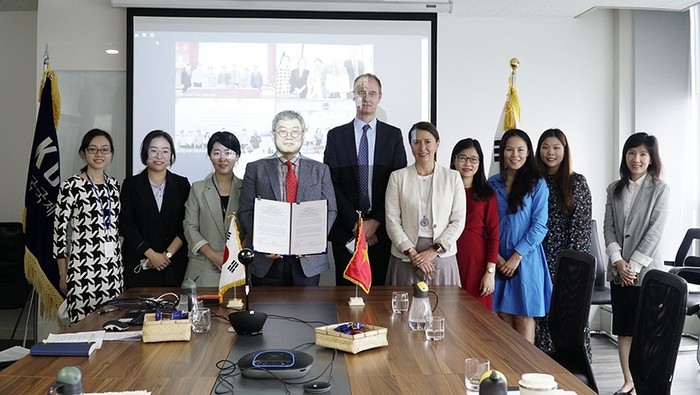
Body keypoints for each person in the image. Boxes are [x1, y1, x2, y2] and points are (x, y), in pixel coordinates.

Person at [324, 73, 407, 286]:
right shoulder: (336, 136)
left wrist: (375, 223)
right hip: (346, 229)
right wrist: (358, 223)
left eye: (372, 93)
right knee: (346, 297)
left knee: (380, 296)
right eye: (361, 93)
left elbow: (398, 184)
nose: (366, 98)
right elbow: (330, 184)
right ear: (354, 97)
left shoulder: (393, 136)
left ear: (380, 97)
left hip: (383, 231)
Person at [238, 110, 337, 285]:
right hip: (267, 259)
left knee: (307, 312)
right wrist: (264, 242)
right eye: (282, 131)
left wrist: (313, 242)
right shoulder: (256, 168)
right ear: (273, 134)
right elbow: (246, 210)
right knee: (266, 311)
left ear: (303, 135)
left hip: (307, 260)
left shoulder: (320, 170)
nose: (288, 136)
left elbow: (330, 209)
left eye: (295, 131)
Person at [604, 132, 668, 395]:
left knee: (647, 330)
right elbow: (608, 228)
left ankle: (647, 381)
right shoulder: (614, 188)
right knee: (624, 329)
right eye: (631, 153)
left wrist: (634, 266)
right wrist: (618, 262)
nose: (636, 159)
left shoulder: (660, 189)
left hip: (647, 272)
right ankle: (628, 380)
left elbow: (655, 231)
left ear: (651, 158)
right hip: (620, 272)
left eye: (643, 154)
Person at [487, 128, 551, 343]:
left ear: (528, 152)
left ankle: (525, 372)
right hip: (497, 259)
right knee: (502, 315)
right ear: (502, 153)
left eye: (520, 150)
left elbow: (539, 226)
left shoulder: (537, 184)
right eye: (510, 149)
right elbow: (486, 225)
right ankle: (506, 370)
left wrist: (516, 257)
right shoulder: (491, 184)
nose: (515, 155)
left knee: (523, 317)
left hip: (526, 259)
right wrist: (496, 258)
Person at [53, 128, 123, 323]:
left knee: (112, 325)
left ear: (111, 154)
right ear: (83, 153)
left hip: (112, 269)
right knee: (84, 328)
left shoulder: (114, 186)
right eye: (93, 149)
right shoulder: (71, 186)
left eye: (104, 150)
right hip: (83, 268)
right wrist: (62, 272)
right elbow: (59, 233)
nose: (99, 154)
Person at [533, 128, 593, 357]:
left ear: (565, 150)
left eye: (556, 147)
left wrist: (569, 270)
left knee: (567, 322)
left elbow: (581, 232)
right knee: (540, 320)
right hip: (537, 261)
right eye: (545, 147)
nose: (550, 153)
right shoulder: (533, 182)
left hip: (567, 266)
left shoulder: (576, 182)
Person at [385, 122, 465, 285]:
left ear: (437, 144)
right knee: (404, 308)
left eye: (427, 141)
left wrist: (434, 250)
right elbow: (392, 220)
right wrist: (413, 253)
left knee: (444, 309)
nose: (422, 147)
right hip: (406, 255)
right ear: (411, 146)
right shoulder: (398, 177)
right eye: (416, 142)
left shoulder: (452, 177)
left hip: (441, 254)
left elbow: (458, 220)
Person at [120, 130, 191, 288]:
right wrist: (151, 255)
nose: (159, 156)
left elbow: (186, 224)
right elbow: (126, 224)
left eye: (165, 151)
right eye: (154, 150)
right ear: (145, 152)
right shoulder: (131, 185)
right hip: (140, 262)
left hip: (173, 264)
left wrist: (166, 255)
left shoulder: (182, 184)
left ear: (171, 154)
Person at [183, 131, 243, 287]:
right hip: (203, 267)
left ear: (237, 156)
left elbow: (251, 227)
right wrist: (213, 255)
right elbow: (190, 227)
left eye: (228, 152)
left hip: (237, 266)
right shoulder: (197, 188)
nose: (222, 158)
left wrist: (234, 255)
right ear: (210, 156)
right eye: (217, 153)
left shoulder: (246, 189)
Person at [451, 138, 499, 309]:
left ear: (480, 162)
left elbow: (494, 235)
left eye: (473, 159)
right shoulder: (443, 189)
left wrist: (490, 272)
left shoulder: (487, 194)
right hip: (447, 258)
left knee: (476, 318)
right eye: (462, 157)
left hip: (475, 262)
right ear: (454, 160)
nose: (467, 163)